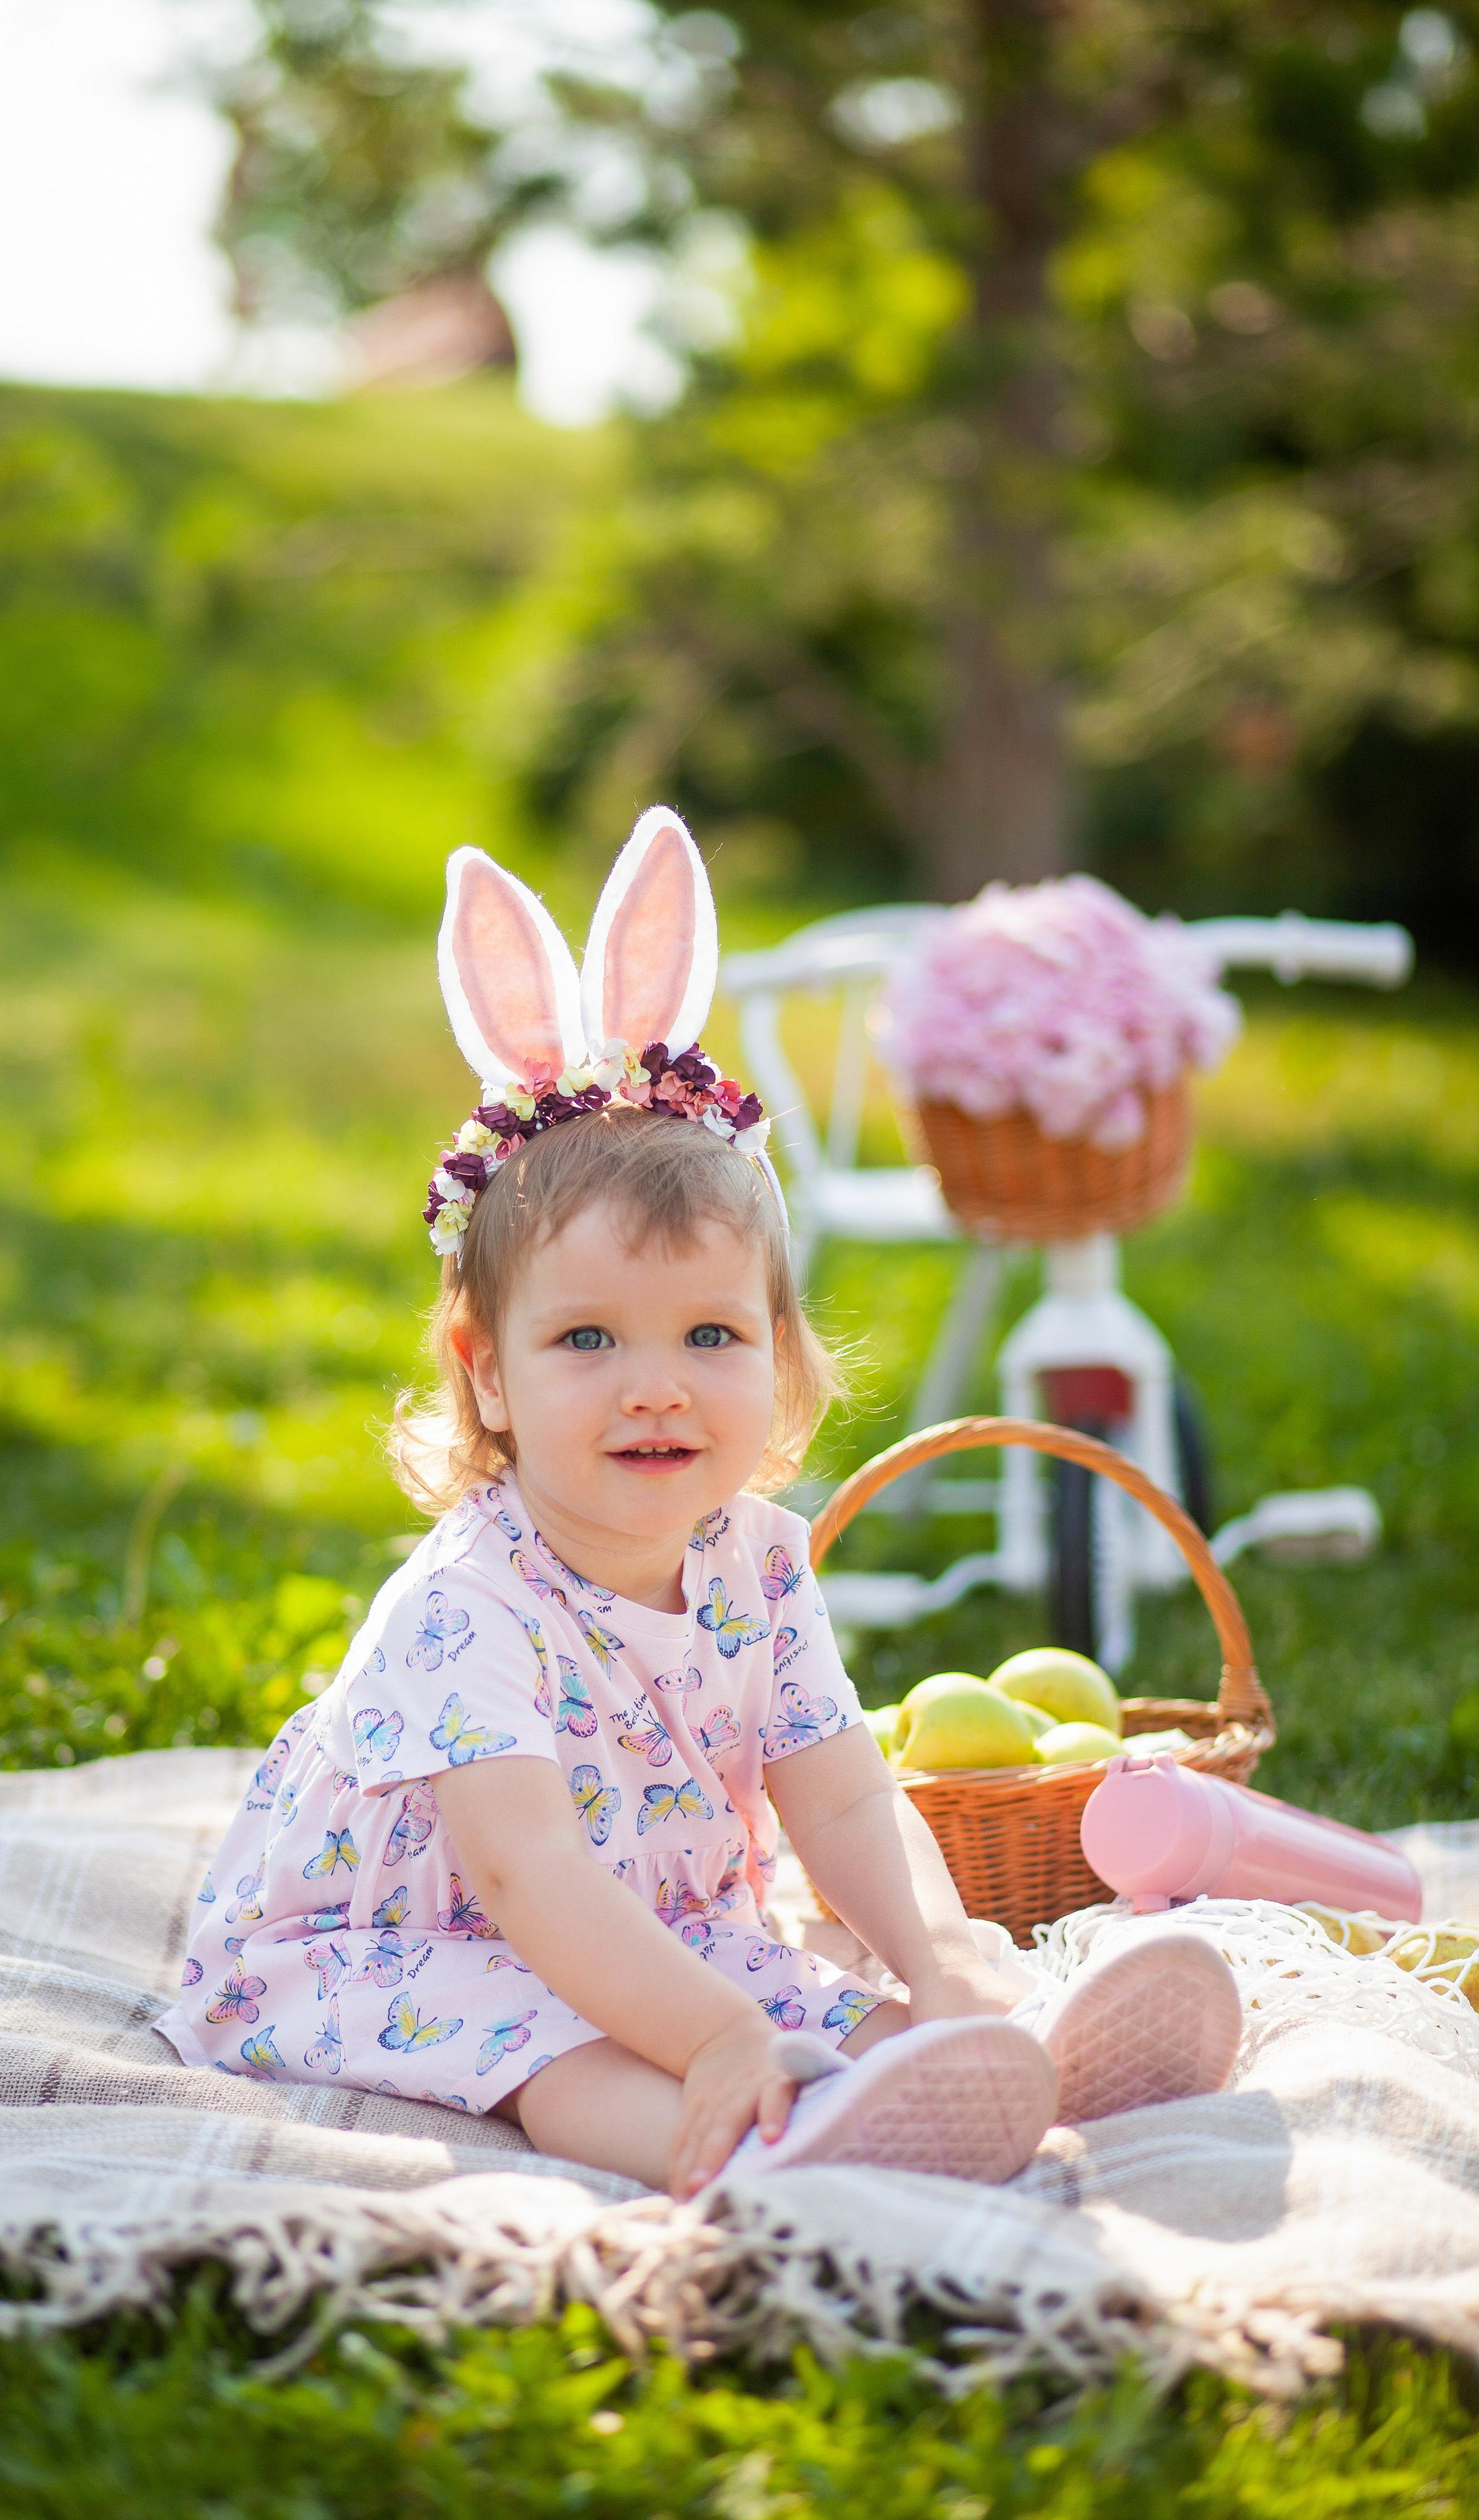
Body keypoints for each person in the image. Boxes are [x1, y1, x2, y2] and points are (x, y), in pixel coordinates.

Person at [157, 809, 1241, 2200]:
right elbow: (531, 1883)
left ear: (779, 1357)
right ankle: (741, 2143)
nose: (654, 1390)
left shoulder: (758, 1565)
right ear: (484, 1374)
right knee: (560, 2042)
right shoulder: (459, 1611)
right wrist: (718, 2039)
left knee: (814, 1995)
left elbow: (841, 1792)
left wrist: (939, 1956)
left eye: (709, 1339)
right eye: (587, 1341)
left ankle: (989, 2054)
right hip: (386, 1948)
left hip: (648, 1919)